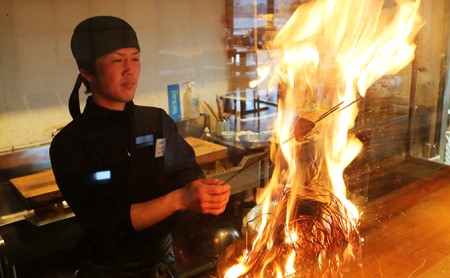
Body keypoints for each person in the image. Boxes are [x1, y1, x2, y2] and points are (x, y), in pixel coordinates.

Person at [50, 16, 231, 278]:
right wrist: (180, 198)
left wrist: (204, 192)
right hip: (110, 271)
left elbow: (185, 172)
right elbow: (107, 222)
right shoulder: (70, 144)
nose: (130, 70)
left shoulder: (155, 121)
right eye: (116, 60)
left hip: (163, 263)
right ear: (87, 72)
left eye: (135, 58)